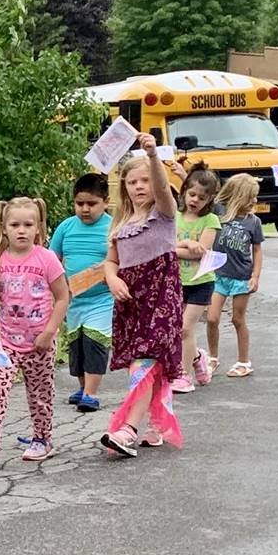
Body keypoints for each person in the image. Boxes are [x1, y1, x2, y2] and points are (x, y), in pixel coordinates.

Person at [0, 196, 67, 469]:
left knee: (40, 393)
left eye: (28, 224)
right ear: (4, 227)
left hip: (40, 342)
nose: (21, 230)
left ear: (38, 227)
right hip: (6, 342)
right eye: (15, 224)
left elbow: (62, 297)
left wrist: (49, 332)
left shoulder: (47, 259)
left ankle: (42, 438)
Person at [100, 133, 183, 457]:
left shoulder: (162, 214)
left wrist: (152, 156)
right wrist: (112, 279)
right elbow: (111, 260)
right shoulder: (121, 223)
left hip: (161, 295)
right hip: (131, 299)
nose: (139, 186)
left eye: (145, 180)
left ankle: (127, 430)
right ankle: (156, 424)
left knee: (144, 362)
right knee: (153, 364)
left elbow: (164, 190)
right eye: (132, 182)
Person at [51, 173, 113, 413]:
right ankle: (83, 386)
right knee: (77, 345)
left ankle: (91, 393)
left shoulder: (112, 228)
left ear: (105, 202)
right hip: (72, 299)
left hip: (102, 299)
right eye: (80, 204)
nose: (85, 209)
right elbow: (52, 259)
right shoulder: (66, 227)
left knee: (94, 340)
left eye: (92, 204)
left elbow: (121, 260)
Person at [205, 172, 265, 379]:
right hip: (218, 274)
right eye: (251, 196)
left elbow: (257, 250)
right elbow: (202, 192)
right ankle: (212, 357)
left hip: (241, 277)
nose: (254, 201)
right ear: (237, 196)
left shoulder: (253, 222)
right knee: (212, 318)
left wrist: (255, 276)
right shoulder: (219, 212)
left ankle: (243, 361)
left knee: (238, 319)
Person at [174, 165, 221, 392]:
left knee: (185, 328)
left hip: (200, 282)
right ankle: (197, 357)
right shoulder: (174, 216)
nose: (195, 200)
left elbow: (201, 251)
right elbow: (167, 245)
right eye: (192, 195)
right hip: (176, 281)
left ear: (209, 199)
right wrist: (184, 244)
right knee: (178, 329)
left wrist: (173, 250)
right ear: (184, 192)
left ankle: (183, 375)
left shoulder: (210, 220)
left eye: (201, 198)